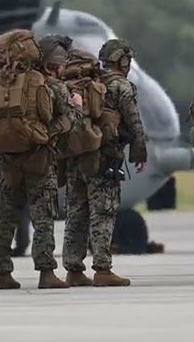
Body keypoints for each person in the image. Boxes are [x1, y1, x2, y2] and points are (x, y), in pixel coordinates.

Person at [0, 34, 82, 289]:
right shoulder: (53, 87)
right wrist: (77, 106)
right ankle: (45, 272)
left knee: (5, 215)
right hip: (40, 159)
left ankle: (2, 273)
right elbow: (70, 123)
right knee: (42, 217)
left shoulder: (3, 81)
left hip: (7, 160)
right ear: (57, 63)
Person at [62, 39, 148, 287]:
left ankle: (74, 269)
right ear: (122, 60)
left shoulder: (87, 83)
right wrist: (140, 153)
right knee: (103, 212)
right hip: (103, 158)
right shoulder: (122, 86)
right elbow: (134, 123)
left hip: (76, 157)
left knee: (76, 213)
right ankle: (102, 268)